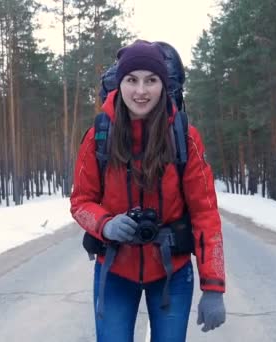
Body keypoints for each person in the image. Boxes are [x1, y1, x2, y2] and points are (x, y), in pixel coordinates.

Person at [70, 40, 226, 342]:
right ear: (120, 83)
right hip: (115, 269)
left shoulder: (184, 136)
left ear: (163, 85)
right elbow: (80, 202)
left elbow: (205, 213)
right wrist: (106, 224)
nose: (141, 91)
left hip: (172, 272)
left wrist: (214, 287)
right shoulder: (98, 136)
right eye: (132, 80)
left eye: (151, 80)